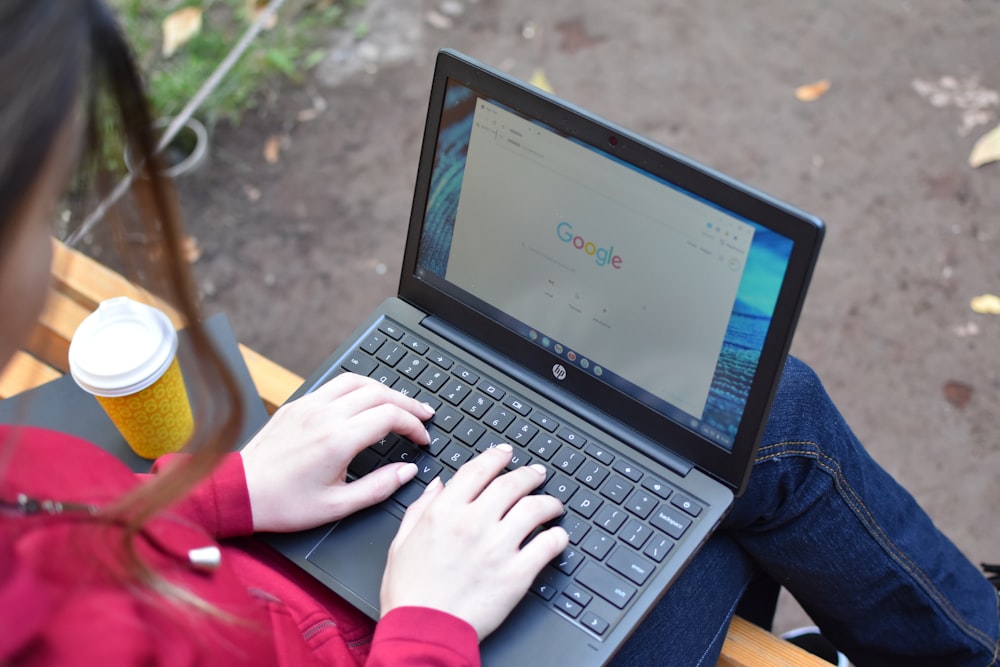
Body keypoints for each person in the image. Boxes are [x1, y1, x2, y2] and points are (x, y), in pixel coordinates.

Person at [0, 2, 996, 666]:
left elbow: (57, 543)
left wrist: (228, 493)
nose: (49, 253)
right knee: (758, 435)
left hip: (281, 581)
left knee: (718, 438)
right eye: (43, 211)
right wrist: (427, 622)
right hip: (399, 637)